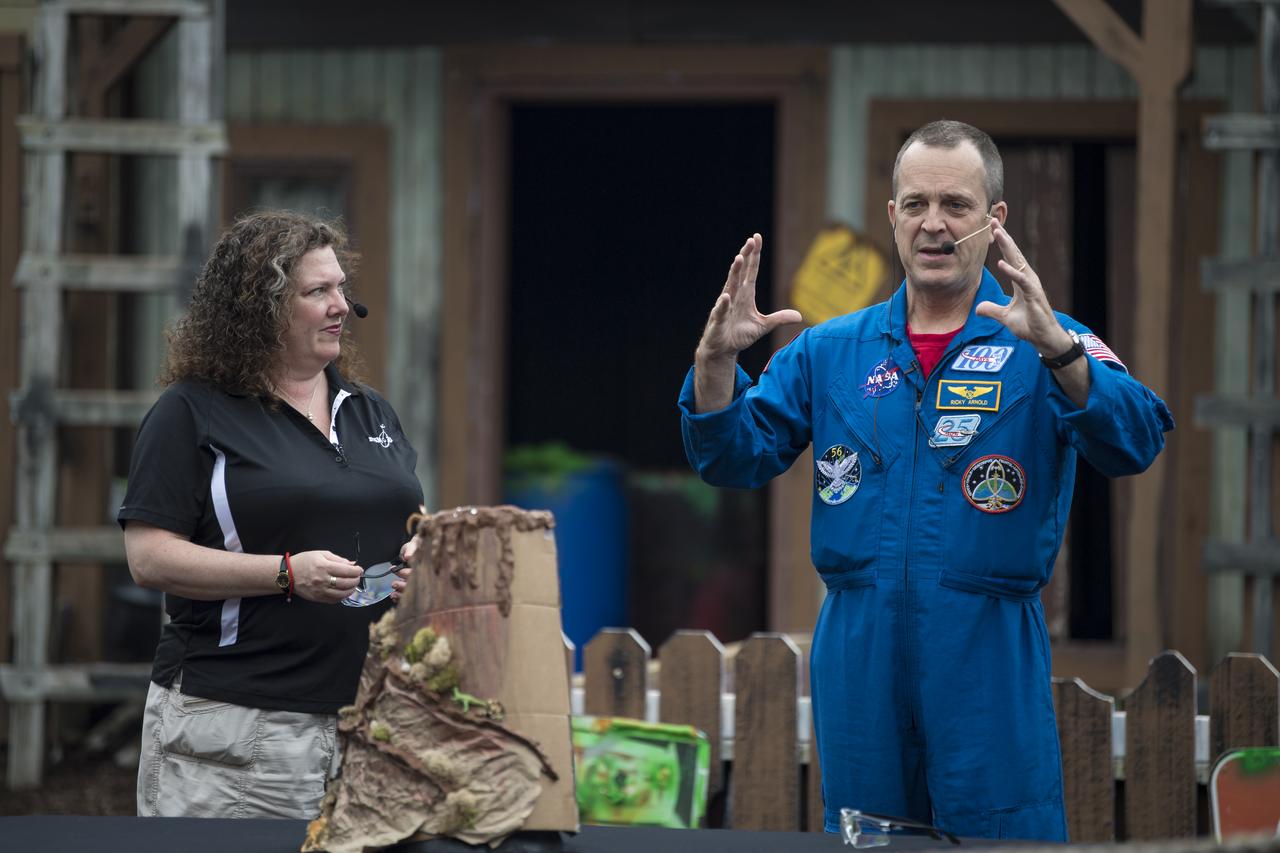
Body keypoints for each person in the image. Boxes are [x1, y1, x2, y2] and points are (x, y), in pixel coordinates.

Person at [679, 120, 1173, 841]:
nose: (933, 224)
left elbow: (1136, 439)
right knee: (870, 834)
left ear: (995, 220)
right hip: (859, 649)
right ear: (892, 216)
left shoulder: (1041, 338)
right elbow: (732, 457)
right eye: (915, 204)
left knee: (1001, 832)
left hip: (987, 651)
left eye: (956, 205)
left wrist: (1063, 355)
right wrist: (714, 365)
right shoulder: (829, 350)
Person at [118, 211, 424, 819]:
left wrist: (428, 554)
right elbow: (149, 557)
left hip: (368, 721)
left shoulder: (368, 410)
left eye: (341, 287)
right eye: (318, 292)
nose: (343, 306)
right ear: (261, 309)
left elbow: (410, 516)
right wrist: (286, 573)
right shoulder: (193, 412)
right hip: (238, 728)